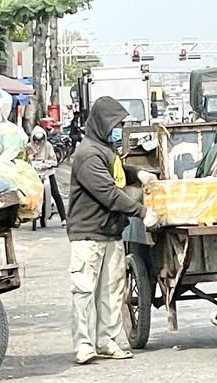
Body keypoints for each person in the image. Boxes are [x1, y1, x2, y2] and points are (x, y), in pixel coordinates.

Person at [68, 96, 159, 364]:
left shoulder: (107, 150)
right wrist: (143, 212)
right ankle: (84, 345)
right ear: (102, 123)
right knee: (84, 292)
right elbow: (108, 193)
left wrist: (137, 174)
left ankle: (106, 341)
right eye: (117, 123)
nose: (119, 128)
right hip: (88, 234)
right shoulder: (87, 155)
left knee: (112, 290)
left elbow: (116, 173)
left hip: (111, 232)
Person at [26, 126, 67, 223]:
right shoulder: (29, 147)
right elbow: (25, 161)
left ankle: (63, 218)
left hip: (47, 173)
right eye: (36, 140)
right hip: (34, 174)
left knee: (56, 194)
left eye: (40, 140)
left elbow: (54, 161)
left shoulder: (48, 146)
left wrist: (46, 163)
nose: (38, 143)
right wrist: (32, 157)